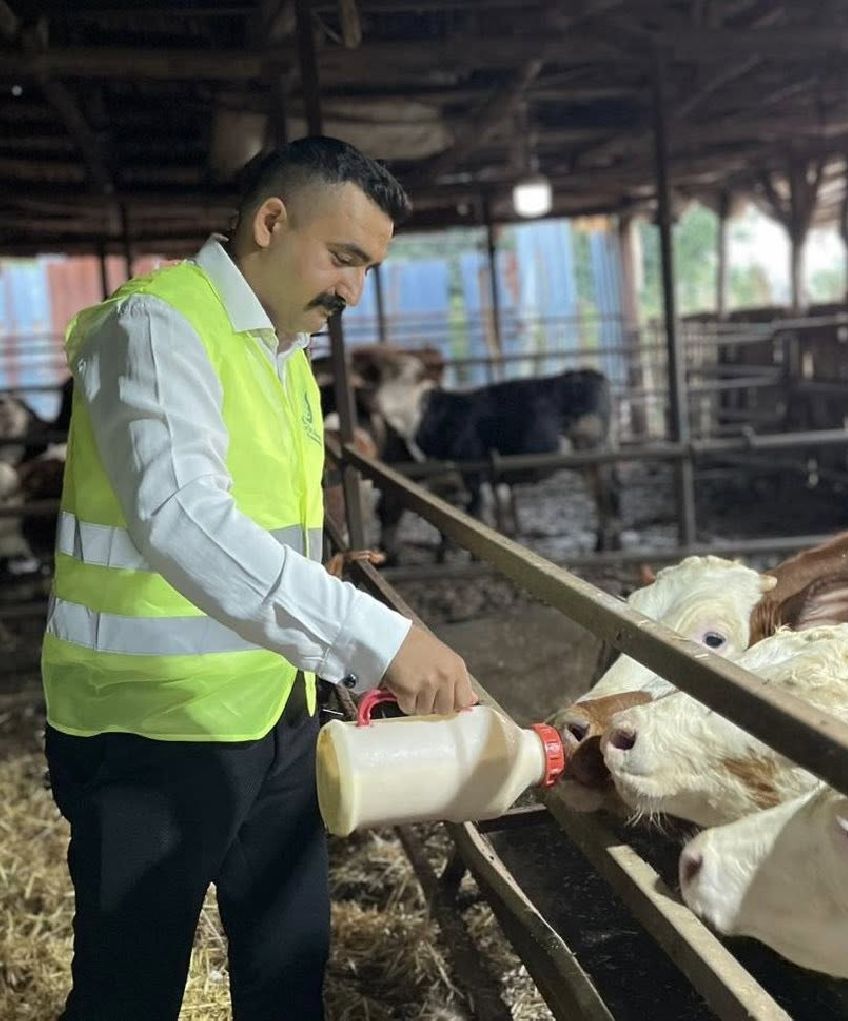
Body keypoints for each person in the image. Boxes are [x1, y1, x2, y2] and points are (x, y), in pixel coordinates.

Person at [41, 135, 475, 1021]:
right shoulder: (159, 326)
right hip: (148, 726)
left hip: (274, 709)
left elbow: (275, 528)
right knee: (130, 989)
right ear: (270, 221)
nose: (354, 290)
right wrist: (381, 638)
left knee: (288, 964)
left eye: (369, 269)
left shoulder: (282, 357)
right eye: (344, 257)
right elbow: (182, 519)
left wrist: (331, 659)